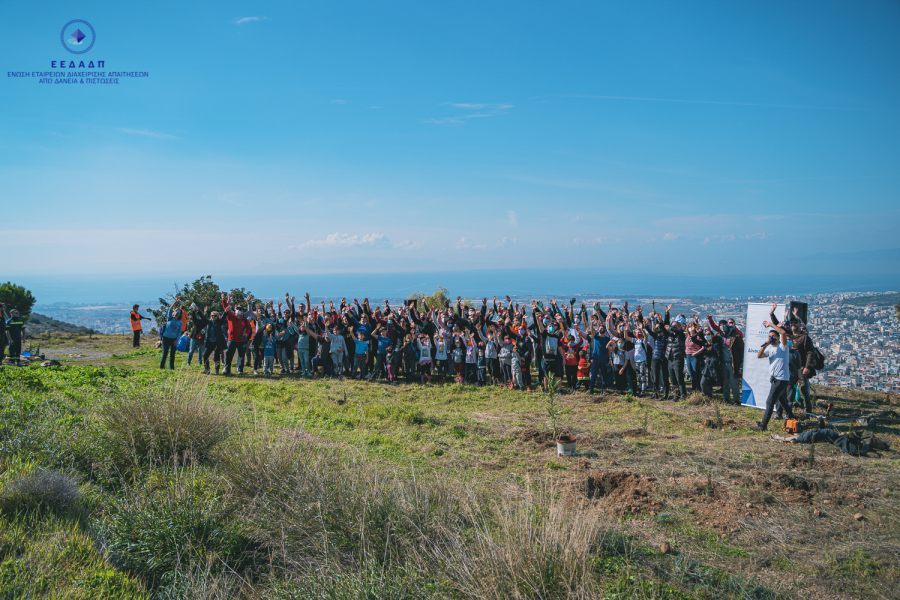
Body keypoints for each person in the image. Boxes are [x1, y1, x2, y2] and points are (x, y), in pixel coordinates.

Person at [750, 321, 796, 431]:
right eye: (769, 336)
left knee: (769, 402)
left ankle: (763, 425)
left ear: (778, 338)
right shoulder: (770, 348)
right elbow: (760, 356)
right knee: (781, 399)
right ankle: (791, 416)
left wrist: (771, 325)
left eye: (773, 336)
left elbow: (783, 333)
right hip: (774, 379)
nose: (771, 338)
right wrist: (765, 345)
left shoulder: (783, 346)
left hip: (782, 378)